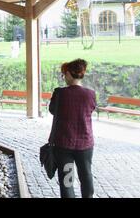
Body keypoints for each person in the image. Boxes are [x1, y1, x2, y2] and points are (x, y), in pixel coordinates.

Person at [49, 59, 96, 198]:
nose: (64, 78)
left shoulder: (59, 93)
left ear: (69, 74)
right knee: (86, 174)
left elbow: (53, 111)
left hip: (64, 145)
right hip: (85, 144)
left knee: (67, 179)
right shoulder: (90, 94)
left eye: (64, 74)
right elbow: (90, 110)